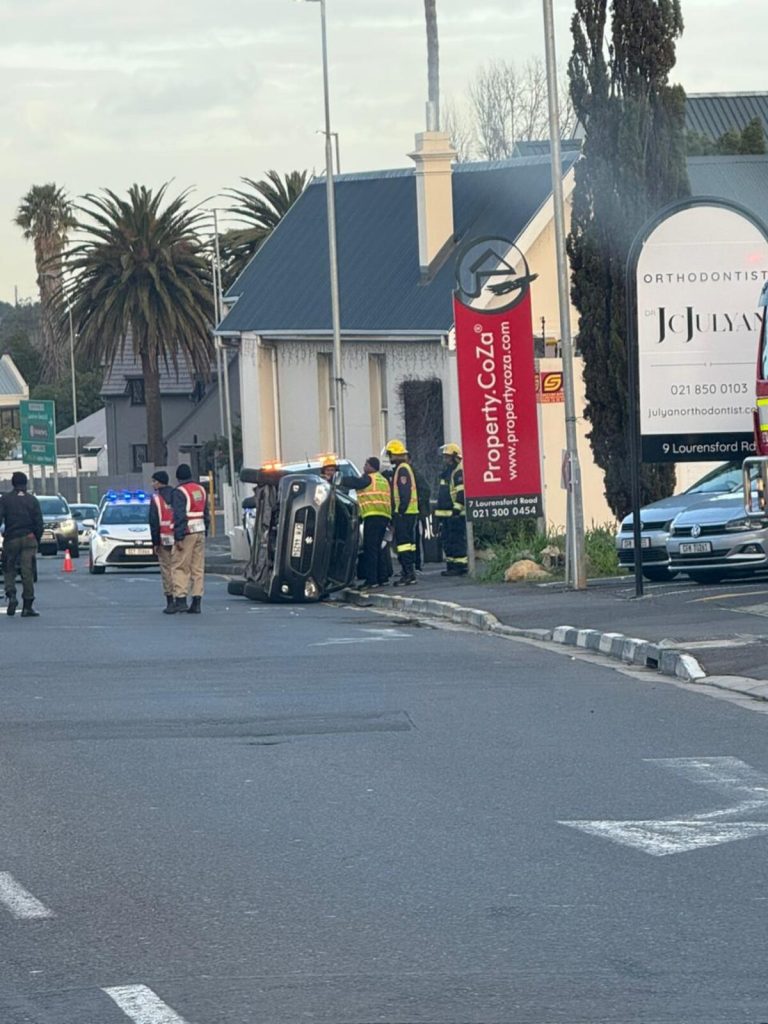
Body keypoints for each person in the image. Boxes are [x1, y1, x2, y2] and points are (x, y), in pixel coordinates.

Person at [341, 456, 392, 590]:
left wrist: (338, 479)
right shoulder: (383, 480)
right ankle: (383, 577)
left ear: (371, 467)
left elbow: (354, 482)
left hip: (372, 516)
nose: (364, 467)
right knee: (379, 548)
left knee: (370, 549)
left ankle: (372, 580)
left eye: (366, 465)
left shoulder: (368, 478)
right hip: (384, 516)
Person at [1, 471, 43, 617]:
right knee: (27, 571)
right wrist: (36, 537)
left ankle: (11, 595)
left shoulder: (5, 500)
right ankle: (27, 606)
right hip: (29, 538)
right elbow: (39, 523)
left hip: (11, 539)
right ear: (25, 484)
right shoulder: (32, 500)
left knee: (9, 568)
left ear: (13, 483)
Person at [170, 463, 210, 614]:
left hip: (187, 532)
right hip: (200, 530)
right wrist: (205, 530)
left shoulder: (179, 492)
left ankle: (180, 600)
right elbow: (206, 512)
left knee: (180, 566)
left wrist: (178, 536)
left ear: (178, 477)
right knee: (197, 568)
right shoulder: (200, 489)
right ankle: (197, 601)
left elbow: (179, 515)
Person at [384, 439, 418, 586]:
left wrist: (400, 511)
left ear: (394, 454)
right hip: (408, 512)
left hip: (405, 513)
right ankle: (409, 572)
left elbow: (404, 492)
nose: (389, 457)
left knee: (404, 544)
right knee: (408, 543)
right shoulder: (402, 468)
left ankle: (408, 573)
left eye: (390, 454)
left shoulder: (402, 469)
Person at [435, 442, 468, 576]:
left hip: (456, 514)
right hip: (448, 514)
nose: (446, 460)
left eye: (448, 457)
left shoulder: (458, 471)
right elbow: (443, 494)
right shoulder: (449, 472)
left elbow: (461, 494)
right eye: (445, 457)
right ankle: (452, 566)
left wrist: (456, 510)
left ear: (455, 457)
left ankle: (460, 567)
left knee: (456, 541)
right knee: (448, 541)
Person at [148, 470, 176, 613]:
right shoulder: (177, 494)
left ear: (158, 482)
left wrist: (155, 543)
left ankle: (170, 601)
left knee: (167, 570)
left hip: (164, 539)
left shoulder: (156, 499)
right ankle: (181, 598)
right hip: (179, 537)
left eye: (153, 481)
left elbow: (153, 522)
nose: (152, 484)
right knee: (180, 569)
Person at [412, 464, 431, 573]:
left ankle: (418, 564)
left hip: (416, 512)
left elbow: (426, 490)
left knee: (416, 539)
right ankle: (414, 565)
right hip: (413, 512)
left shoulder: (415, 474)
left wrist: (418, 502)